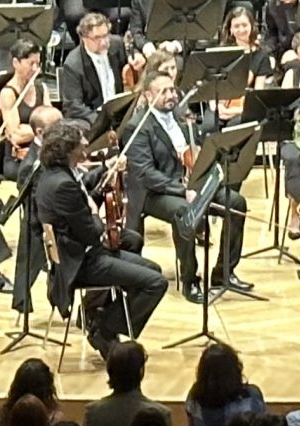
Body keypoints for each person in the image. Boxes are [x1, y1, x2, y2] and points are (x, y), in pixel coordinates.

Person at [33, 120, 168, 356]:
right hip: (79, 263)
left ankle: (102, 317)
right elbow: (92, 233)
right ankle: (103, 329)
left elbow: (80, 209)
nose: (86, 142)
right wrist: (95, 212)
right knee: (156, 283)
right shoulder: (62, 184)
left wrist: (96, 194)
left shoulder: (58, 174)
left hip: (81, 253)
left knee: (153, 269)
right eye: (80, 141)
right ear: (67, 149)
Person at [123, 64, 253, 303]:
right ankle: (189, 280)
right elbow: (145, 173)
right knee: (185, 212)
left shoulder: (181, 119)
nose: (170, 95)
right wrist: (184, 190)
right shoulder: (139, 126)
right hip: (155, 193)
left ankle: (223, 272)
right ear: (148, 96)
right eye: (162, 92)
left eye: (172, 90)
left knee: (236, 203)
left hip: (188, 184)